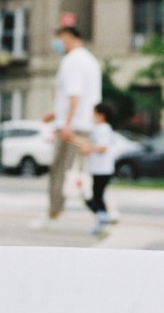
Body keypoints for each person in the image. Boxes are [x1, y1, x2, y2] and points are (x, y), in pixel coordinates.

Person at [41, 13, 101, 220]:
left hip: (72, 125)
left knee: (60, 170)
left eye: (59, 36)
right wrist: (55, 113)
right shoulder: (90, 60)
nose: (57, 42)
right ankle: (99, 208)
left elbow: (75, 94)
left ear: (68, 35)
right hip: (84, 123)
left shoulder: (71, 61)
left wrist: (66, 123)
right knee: (79, 171)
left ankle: (54, 213)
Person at [83, 100, 116, 236]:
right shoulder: (100, 129)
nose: (92, 116)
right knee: (97, 196)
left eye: (94, 113)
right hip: (99, 168)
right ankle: (102, 217)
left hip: (102, 169)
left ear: (101, 115)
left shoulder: (103, 129)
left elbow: (102, 148)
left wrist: (89, 147)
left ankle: (103, 218)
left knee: (96, 197)